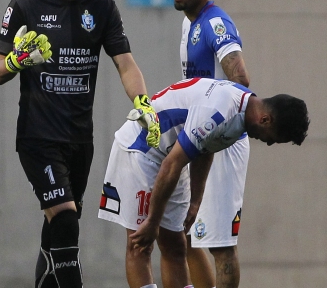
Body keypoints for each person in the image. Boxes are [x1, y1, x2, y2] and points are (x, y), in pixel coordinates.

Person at [0, 0, 160, 288]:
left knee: (59, 230)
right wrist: (18, 60)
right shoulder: (23, 6)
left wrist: (143, 102)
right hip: (37, 137)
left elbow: (125, 64)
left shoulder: (101, 8)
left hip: (81, 140)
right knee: (66, 219)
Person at [98, 77, 310, 288]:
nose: (270, 143)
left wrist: (195, 201)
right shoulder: (219, 112)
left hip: (171, 157)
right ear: (265, 120)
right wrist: (153, 221)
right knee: (141, 245)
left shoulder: (242, 111)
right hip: (142, 151)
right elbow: (171, 165)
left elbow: (205, 148)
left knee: (176, 246)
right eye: (273, 137)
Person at [171, 0, 251, 288]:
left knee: (219, 245)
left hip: (219, 141)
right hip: (199, 140)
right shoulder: (189, 21)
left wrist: (214, 129)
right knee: (186, 234)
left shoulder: (215, 23)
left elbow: (241, 79)